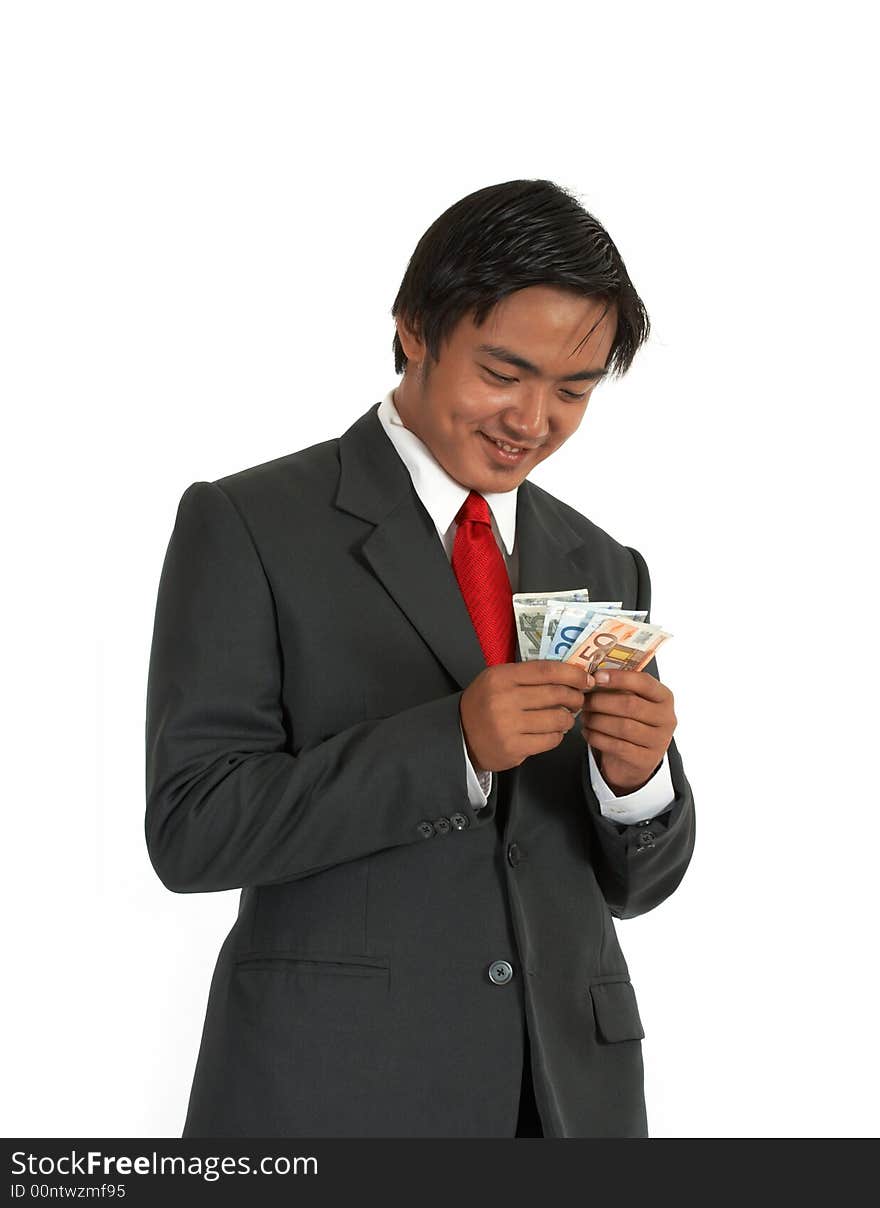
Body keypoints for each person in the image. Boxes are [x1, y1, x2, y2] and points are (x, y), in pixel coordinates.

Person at [144, 178, 696, 1138]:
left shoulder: (606, 561)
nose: (533, 419)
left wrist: (638, 782)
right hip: (337, 1090)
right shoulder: (248, 525)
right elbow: (193, 830)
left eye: (573, 389)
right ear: (413, 329)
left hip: (568, 1100)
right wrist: (452, 747)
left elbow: (632, 887)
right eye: (504, 371)